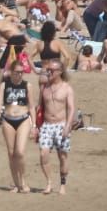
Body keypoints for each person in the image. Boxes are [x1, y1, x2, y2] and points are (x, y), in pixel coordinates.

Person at [0, 51, 34, 192]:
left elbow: (32, 106)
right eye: (17, 72)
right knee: (11, 153)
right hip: (8, 120)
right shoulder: (5, 86)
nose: (19, 75)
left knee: (20, 152)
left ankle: (23, 181)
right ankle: (16, 183)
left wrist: (34, 125)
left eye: (22, 72)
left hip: (23, 119)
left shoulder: (28, 86)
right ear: (11, 72)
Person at [38, 57, 76, 195]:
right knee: (43, 154)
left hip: (61, 124)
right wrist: (36, 126)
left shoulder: (67, 88)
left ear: (60, 71)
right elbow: (39, 107)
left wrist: (68, 126)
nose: (49, 72)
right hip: (47, 125)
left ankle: (63, 183)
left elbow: (71, 108)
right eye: (48, 70)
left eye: (52, 70)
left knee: (63, 156)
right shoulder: (44, 87)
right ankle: (48, 183)